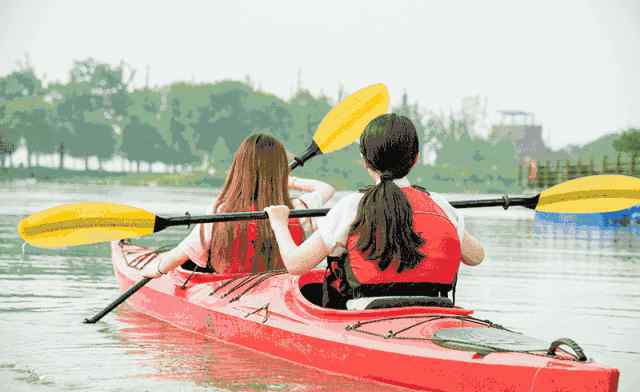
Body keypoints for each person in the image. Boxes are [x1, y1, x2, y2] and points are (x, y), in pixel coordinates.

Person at [264, 113, 485, 308]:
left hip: (364, 316)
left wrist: (279, 223)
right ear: (416, 158)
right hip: (435, 309)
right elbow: (476, 257)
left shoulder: (352, 206)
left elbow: (295, 264)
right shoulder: (441, 205)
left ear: (364, 161)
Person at [142, 133, 335, 278]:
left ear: (239, 169)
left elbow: (180, 255)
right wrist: (288, 180)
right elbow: (326, 188)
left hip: (229, 290)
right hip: (278, 292)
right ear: (282, 173)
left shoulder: (221, 212)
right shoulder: (295, 209)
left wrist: (154, 270)